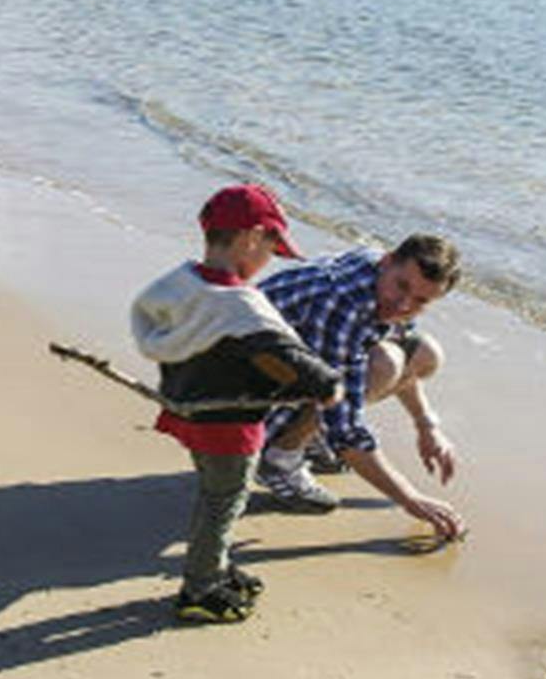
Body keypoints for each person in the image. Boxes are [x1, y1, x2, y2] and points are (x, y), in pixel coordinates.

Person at [130, 185, 342, 624]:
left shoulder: (181, 284)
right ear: (251, 237)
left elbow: (152, 319)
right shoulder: (237, 304)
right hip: (230, 423)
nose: (269, 259)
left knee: (214, 492)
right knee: (225, 500)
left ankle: (215, 566)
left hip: (188, 407)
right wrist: (329, 385)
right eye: (271, 246)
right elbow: (292, 358)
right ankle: (201, 588)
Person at [254, 234, 467, 544]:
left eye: (421, 301)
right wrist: (410, 499)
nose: (405, 304)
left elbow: (405, 342)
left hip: (286, 371)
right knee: (385, 365)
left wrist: (426, 426)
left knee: (424, 353)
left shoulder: (379, 280)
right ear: (388, 261)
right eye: (403, 286)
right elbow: (346, 431)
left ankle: (305, 434)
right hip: (241, 397)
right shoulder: (343, 305)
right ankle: (278, 458)